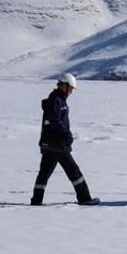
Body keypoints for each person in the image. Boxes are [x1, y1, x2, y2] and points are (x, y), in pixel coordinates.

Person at [30, 73, 99, 206]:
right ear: (65, 86)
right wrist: (67, 134)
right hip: (57, 144)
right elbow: (56, 122)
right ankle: (85, 199)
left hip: (50, 143)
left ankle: (36, 201)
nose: (72, 92)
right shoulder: (56, 100)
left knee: (44, 174)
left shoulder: (58, 99)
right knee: (74, 172)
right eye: (71, 88)